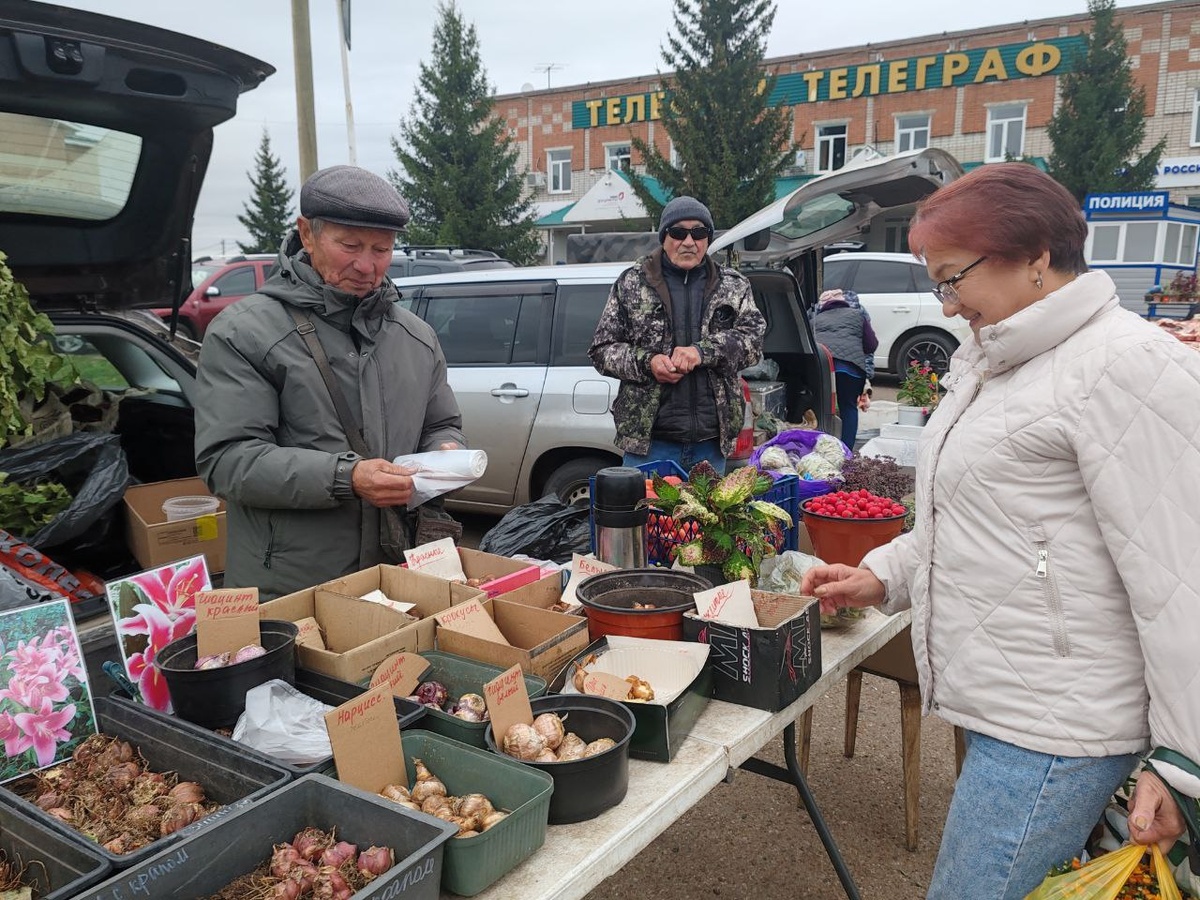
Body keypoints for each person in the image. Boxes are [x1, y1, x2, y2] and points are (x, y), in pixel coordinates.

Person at [800, 164, 1199, 899]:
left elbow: (1182, 579)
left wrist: (1185, 762)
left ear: (1036, 257)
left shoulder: (1126, 365)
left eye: (953, 280)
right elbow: (982, 520)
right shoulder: (998, 361)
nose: (948, 306)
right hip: (1014, 704)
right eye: (938, 286)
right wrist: (884, 573)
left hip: (1058, 728)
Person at [195, 165, 465, 600]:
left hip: (397, 575)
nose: (366, 265)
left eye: (382, 249)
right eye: (350, 246)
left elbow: (441, 424)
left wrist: (445, 453)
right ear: (307, 234)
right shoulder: (243, 332)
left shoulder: (416, 337)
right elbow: (227, 461)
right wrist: (347, 477)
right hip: (292, 585)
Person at [588, 196, 765, 474]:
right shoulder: (632, 283)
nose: (689, 241)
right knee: (645, 505)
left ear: (707, 238)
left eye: (699, 232)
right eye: (679, 232)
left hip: (711, 444)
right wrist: (648, 363)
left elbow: (753, 341)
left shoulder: (733, 286)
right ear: (664, 237)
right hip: (649, 444)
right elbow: (602, 350)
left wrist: (702, 352)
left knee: (706, 506)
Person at [812, 287, 878, 448]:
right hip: (851, 369)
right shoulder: (858, 315)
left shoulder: (815, 320)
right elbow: (871, 345)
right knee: (848, 407)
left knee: (820, 408)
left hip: (823, 368)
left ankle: (820, 448)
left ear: (823, 305)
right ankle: (846, 450)